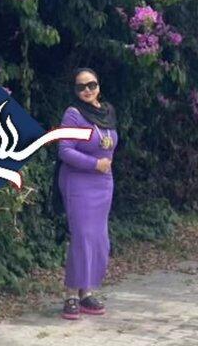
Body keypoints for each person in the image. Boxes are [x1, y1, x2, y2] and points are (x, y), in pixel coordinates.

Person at [52, 67, 118, 320]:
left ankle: (87, 293)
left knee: (98, 238)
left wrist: (103, 165)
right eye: (81, 87)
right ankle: (71, 294)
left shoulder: (107, 112)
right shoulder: (74, 114)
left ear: (99, 85)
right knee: (82, 237)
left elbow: (109, 145)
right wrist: (94, 164)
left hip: (103, 183)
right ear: (75, 90)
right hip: (78, 182)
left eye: (92, 85)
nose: (87, 90)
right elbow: (65, 151)